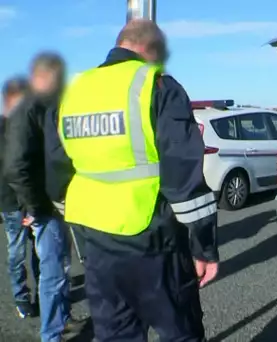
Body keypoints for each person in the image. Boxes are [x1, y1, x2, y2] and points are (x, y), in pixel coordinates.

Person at [44, 19, 219, 341]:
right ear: (150, 49)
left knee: (115, 335)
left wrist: (77, 216)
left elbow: (56, 168)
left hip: (96, 241)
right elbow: (183, 175)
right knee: (180, 332)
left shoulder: (72, 91)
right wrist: (204, 248)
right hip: (152, 236)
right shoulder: (157, 85)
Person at [3, 53, 83, 342]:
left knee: (59, 268)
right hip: (44, 207)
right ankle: (52, 335)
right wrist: (35, 206)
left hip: (54, 204)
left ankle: (61, 321)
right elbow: (16, 167)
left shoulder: (46, 107)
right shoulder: (30, 109)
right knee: (52, 273)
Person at [1, 76, 40, 319]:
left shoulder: (30, 127)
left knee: (40, 252)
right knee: (16, 253)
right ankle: (21, 297)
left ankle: (43, 295)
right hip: (11, 202)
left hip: (32, 200)